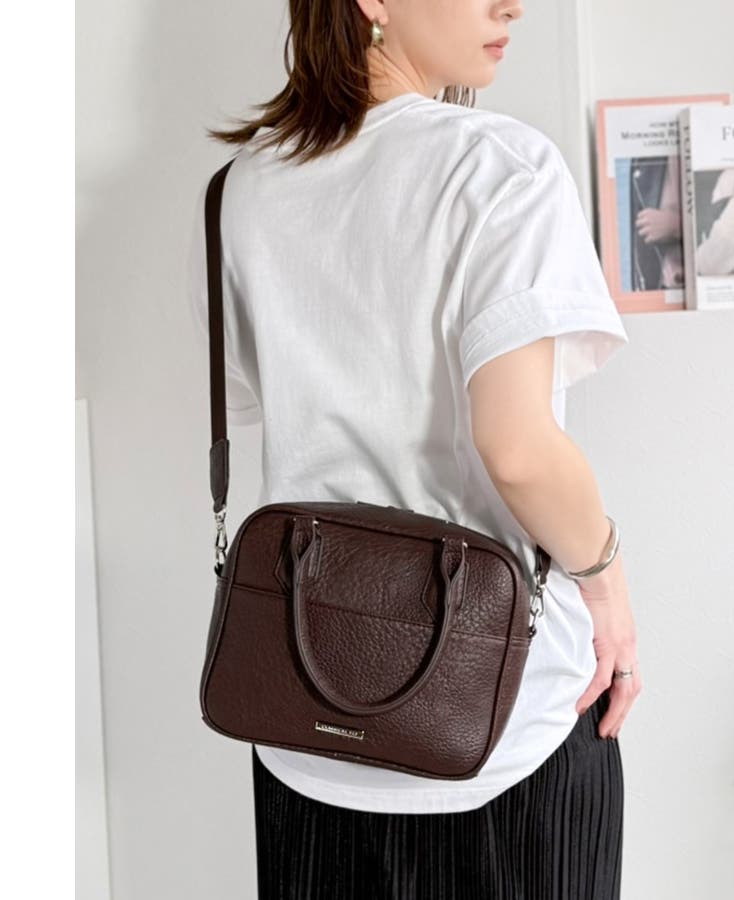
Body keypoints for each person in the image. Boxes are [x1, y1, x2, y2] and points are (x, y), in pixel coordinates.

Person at [187, 2, 642, 897]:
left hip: (303, 725)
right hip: (506, 723)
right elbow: (517, 449)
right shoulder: (501, 167)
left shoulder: (239, 189)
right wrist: (608, 587)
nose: (512, 4)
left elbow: (266, 401)